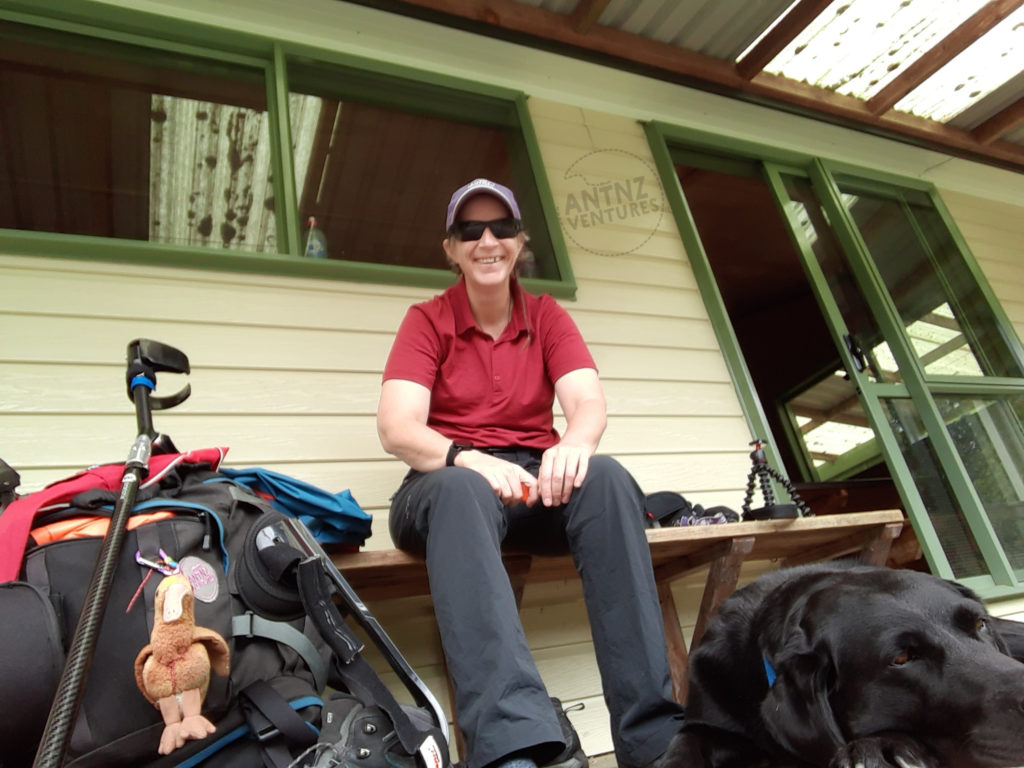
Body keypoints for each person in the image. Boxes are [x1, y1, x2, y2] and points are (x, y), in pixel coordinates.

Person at [376, 178, 686, 768]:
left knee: (611, 479)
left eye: (500, 229)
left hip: (533, 482)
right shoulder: (428, 320)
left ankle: (654, 739)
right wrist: (468, 456)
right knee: (463, 491)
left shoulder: (545, 316)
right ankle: (511, 743)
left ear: (519, 242)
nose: (486, 241)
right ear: (451, 247)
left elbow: (587, 403)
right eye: (471, 230)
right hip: (444, 485)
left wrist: (575, 442)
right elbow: (398, 427)